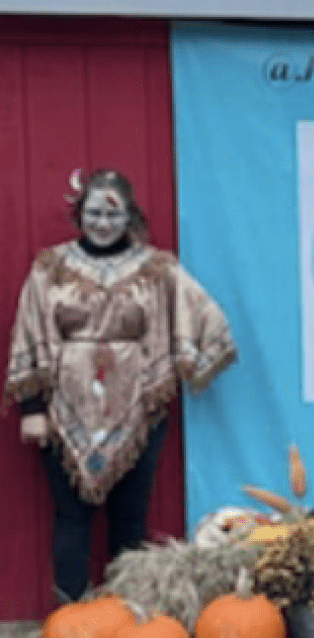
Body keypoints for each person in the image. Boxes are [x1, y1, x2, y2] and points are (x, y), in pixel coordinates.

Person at [5, 168, 237, 602]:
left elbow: (202, 315)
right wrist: (32, 409)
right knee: (70, 516)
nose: (103, 222)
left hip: (138, 411)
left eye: (113, 214)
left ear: (130, 216)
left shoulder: (157, 269)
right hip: (62, 410)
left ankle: (128, 616)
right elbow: (28, 332)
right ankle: (71, 619)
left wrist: (191, 359)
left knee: (130, 518)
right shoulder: (50, 269)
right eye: (93, 212)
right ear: (79, 213)